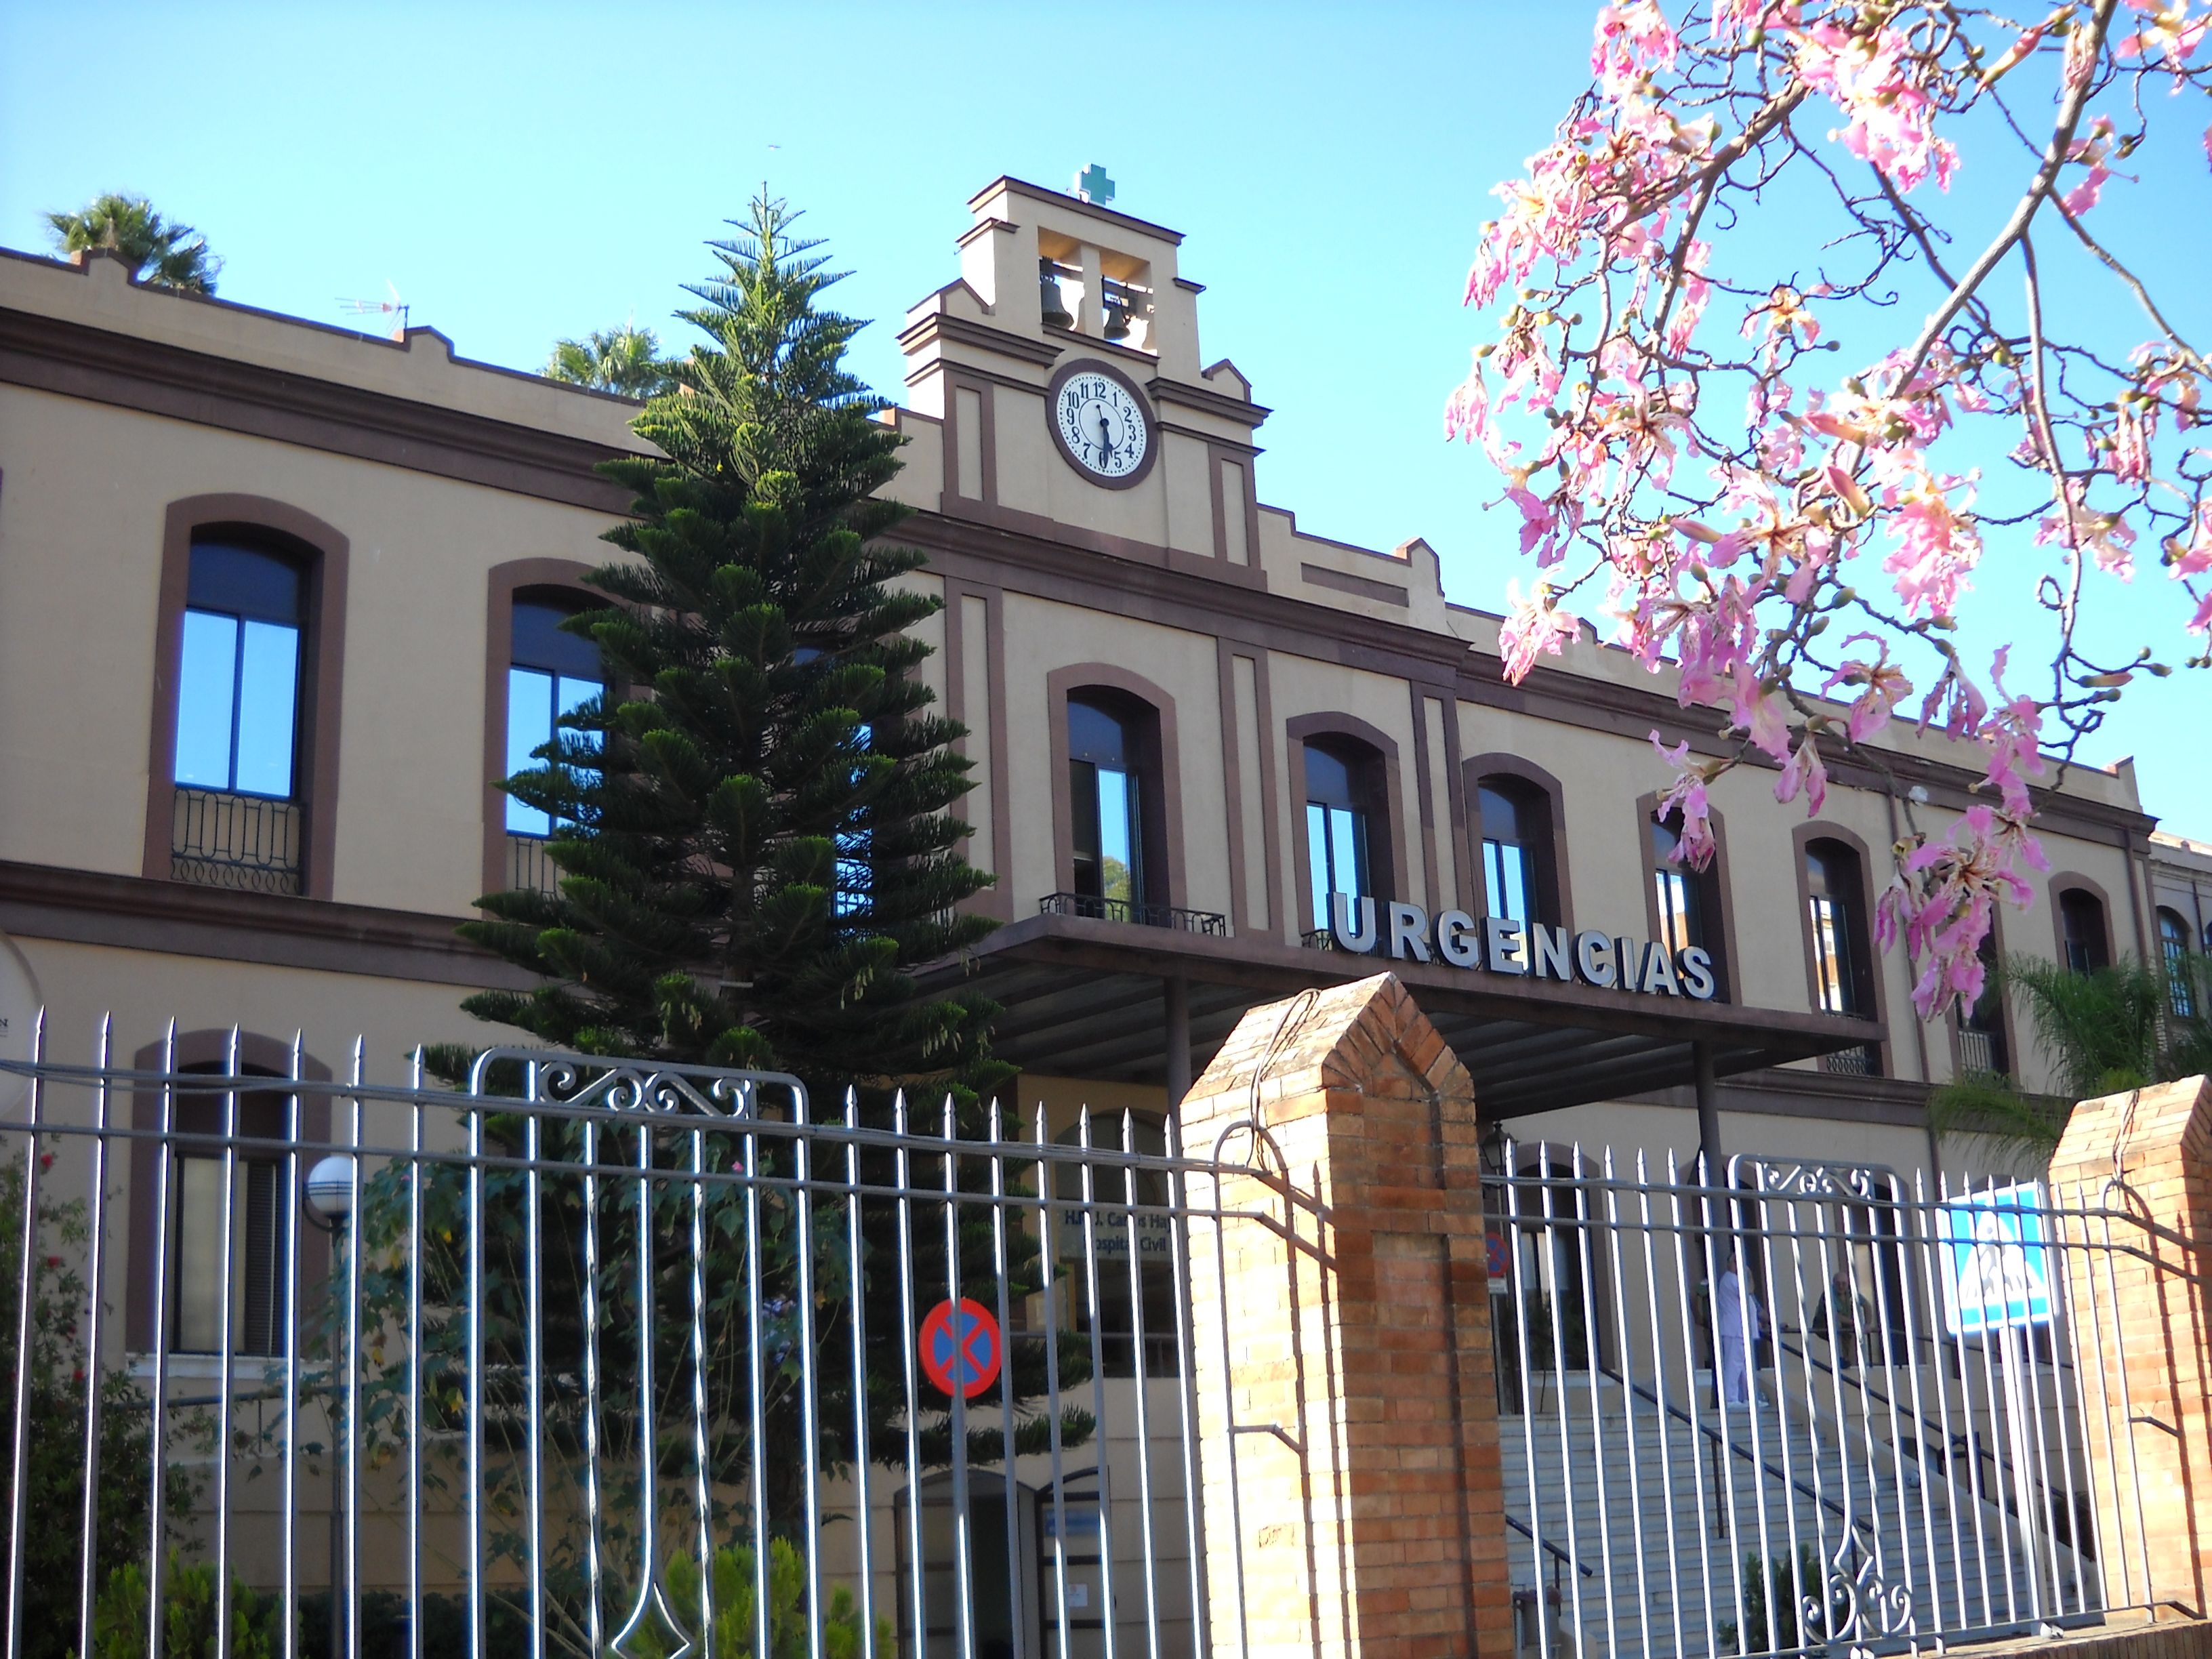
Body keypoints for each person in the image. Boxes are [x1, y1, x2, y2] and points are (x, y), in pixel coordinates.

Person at [1715, 1263, 1763, 1406]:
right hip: (1735, 1330)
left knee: (1744, 1367)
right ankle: (1731, 1398)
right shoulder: (1731, 1279)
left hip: (1741, 1330)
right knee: (1734, 1365)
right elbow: (1749, 1290)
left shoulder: (1732, 1280)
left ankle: (1748, 1397)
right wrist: (1749, 1275)